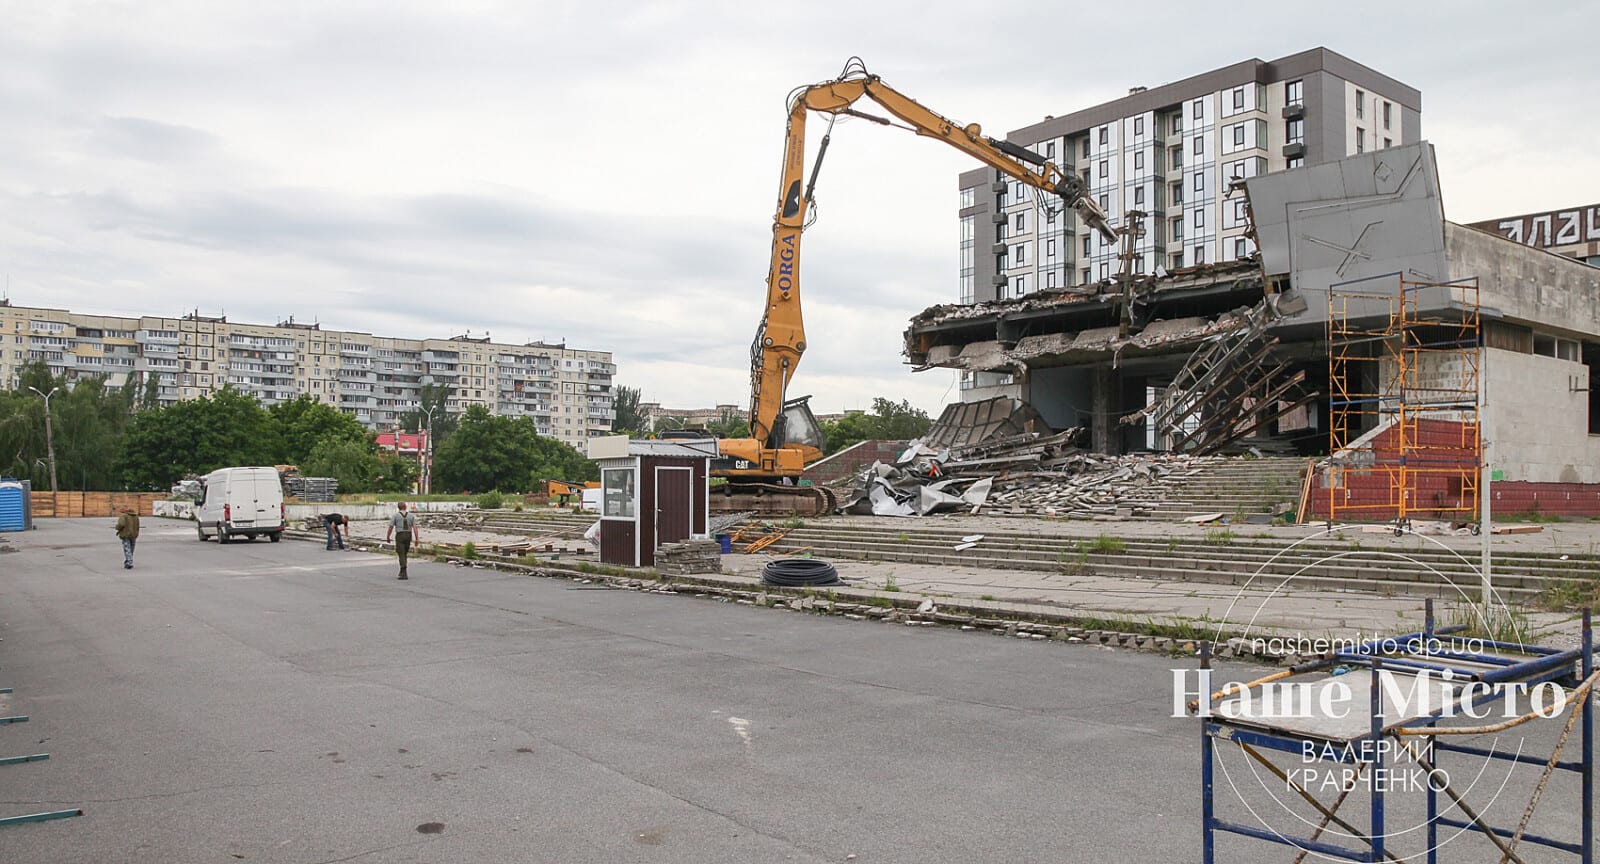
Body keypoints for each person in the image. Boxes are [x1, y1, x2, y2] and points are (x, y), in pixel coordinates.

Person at [385, 502, 420, 580]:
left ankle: (403, 571)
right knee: (405, 552)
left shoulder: (396, 515)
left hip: (400, 535)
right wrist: (417, 538)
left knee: (401, 552)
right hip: (408, 534)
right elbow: (415, 528)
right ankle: (402, 570)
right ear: (405, 507)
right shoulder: (411, 516)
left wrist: (388, 536)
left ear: (398, 508)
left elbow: (391, 527)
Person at [115, 506, 141, 570]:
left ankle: (129, 562)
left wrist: (117, 528)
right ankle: (128, 561)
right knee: (131, 549)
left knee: (127, 549)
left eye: (121, 508)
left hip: (125, 534)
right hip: (134, 535)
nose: (120, 509)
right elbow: (137, 526)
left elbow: (121, 524)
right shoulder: (136, 516)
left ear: (125, 509)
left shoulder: (123, 516)